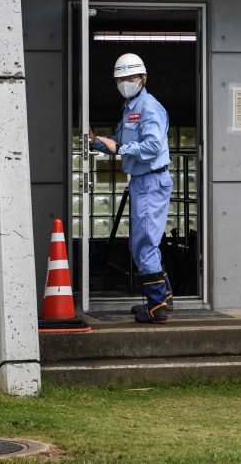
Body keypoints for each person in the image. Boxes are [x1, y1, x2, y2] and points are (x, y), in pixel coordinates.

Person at [90, 53, 174, 324]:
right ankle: (163, 299)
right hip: (142, 181)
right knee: (145, 241)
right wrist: (98, 142)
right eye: (121, 79)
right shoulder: (130, 107)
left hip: (151, 180)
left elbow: (150, 147)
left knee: (144, 243)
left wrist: (121, 147)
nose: (126, 82)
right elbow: (120, 141)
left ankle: (156, 307)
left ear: (143, 79)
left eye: (131, 78)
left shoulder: (150, 107)